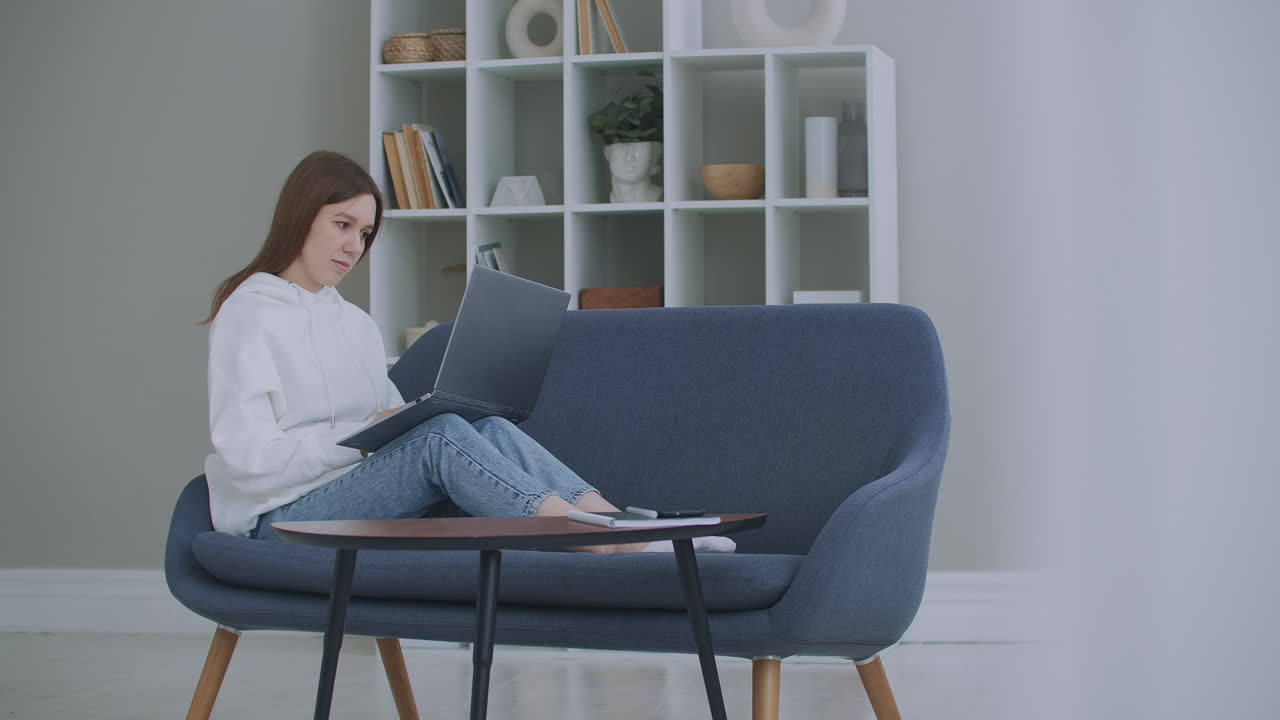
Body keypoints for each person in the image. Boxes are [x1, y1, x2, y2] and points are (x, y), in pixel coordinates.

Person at [200, 151, 732, 553]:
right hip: (284, 518)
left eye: (364, 233)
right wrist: (358, 444)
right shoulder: (249, 314)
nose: (353, 247)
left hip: (356, 495)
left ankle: (626, 526)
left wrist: (400, 420)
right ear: (301, 216)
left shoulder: (354, 323)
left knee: (489, 430)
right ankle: (597, 541)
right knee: (440, 438)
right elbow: (250, 464)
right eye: (342, 225)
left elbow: (387, 424)